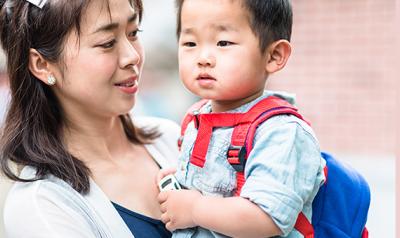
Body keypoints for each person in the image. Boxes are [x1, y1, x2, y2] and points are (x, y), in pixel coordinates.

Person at [0, 0, 179, 237]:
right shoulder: (42, 206)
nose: (132, 56)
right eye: (107, 43)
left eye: (133, 33)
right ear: (42, 64)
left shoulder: (172, 137)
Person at [157, 0, 326, 237]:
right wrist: (182, 178)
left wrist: (194, 208)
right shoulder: (197, 116)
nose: (203, 57)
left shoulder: (281, 132)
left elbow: (266, 217)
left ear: (273, 55)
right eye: (190, 43)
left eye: (223, 42)